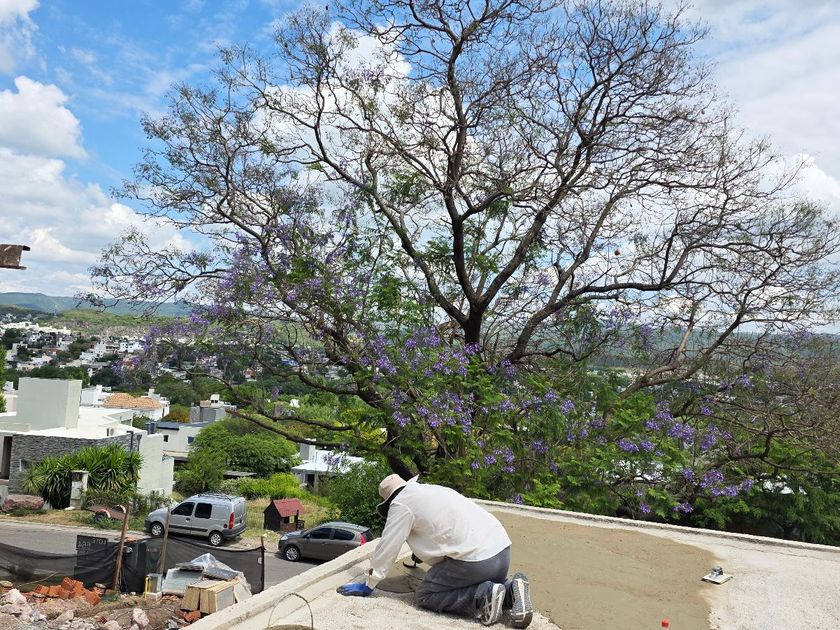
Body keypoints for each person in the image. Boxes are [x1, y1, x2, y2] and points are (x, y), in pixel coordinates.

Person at [337, 474, 533, 628]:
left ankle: (485, 595)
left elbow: (388, 545)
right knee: (470, 584)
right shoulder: (433, 490)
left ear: (388, 502)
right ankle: (510, 591)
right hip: (502, 551)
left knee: (426, 594)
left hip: (476, 562)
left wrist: (370, 583)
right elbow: (444, 529)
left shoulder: (400, 504)